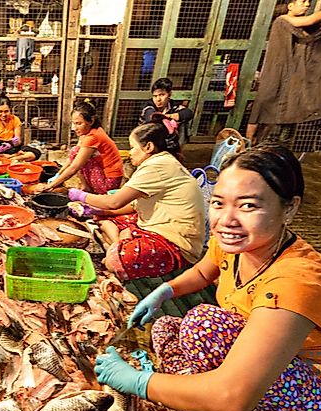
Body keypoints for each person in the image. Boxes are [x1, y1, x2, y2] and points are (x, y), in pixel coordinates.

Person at [94, 145, 321, 411]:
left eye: (248, 206)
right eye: (219, 203)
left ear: (289, 208)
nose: (227, 220)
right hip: (277, 365)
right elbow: (204, 273)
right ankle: (225, 407)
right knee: (165, 326)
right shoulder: (237, 242)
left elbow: (230, 396)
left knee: (203, 325)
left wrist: (139, 383)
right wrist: (165, 291)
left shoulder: (297, 281)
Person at [66, 118, 204, 280]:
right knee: (102, 216)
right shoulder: (162, 162)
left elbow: (114, 202)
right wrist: (99, 210)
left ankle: (117, 245)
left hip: (176, 241)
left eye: (133, 147)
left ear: (149, 147)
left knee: (114, 263)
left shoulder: (157, 166)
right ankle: (120, 240)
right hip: (155, 224)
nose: (130, 152)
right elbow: (133, 205)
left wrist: (82, 196)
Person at [246, 0, 321, 146]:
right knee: (263, 105)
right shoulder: (282, 20)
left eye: (307, 3)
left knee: (282, 108)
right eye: (302, 2)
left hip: (289, 74)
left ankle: (273, 144)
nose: (306, 5)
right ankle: (247, 143)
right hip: (276, 71)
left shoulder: (299, 27)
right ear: (290, 6)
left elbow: (313, 38)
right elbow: (313, 19)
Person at [37, 100, 124, 194]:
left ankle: (90, 190)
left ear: (91, 120)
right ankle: (86, 187)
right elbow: (71, 160)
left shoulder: (93, 136)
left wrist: (51, 185)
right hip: (102, 173)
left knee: (76, 153)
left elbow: (74, 167)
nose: (74, 128)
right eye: (73, 123)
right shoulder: (87, 133)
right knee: (75, 151)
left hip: (109, 181)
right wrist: (58, 174)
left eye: (78, 123)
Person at [139, 77, 193, 155]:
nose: (158, 99)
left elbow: (188, 113)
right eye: (155, 96)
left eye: (162, 95)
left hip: (167, 140)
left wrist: (169, 116)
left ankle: (176, 151)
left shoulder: (173, 105)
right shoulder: (148, 106)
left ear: (169, 94)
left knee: (183, 124)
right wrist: (170, 119)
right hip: (148, 141)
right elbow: (154, 119)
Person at [0, 95, 40, 162]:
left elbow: (18, 141)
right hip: (0, 148)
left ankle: (9, 159)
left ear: (10, 109)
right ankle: (14, 158)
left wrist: (15, 142)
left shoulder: (15, 119)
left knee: (36, 152)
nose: (3, 115)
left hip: (13, 148)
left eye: (6, 111)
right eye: (0, 111)